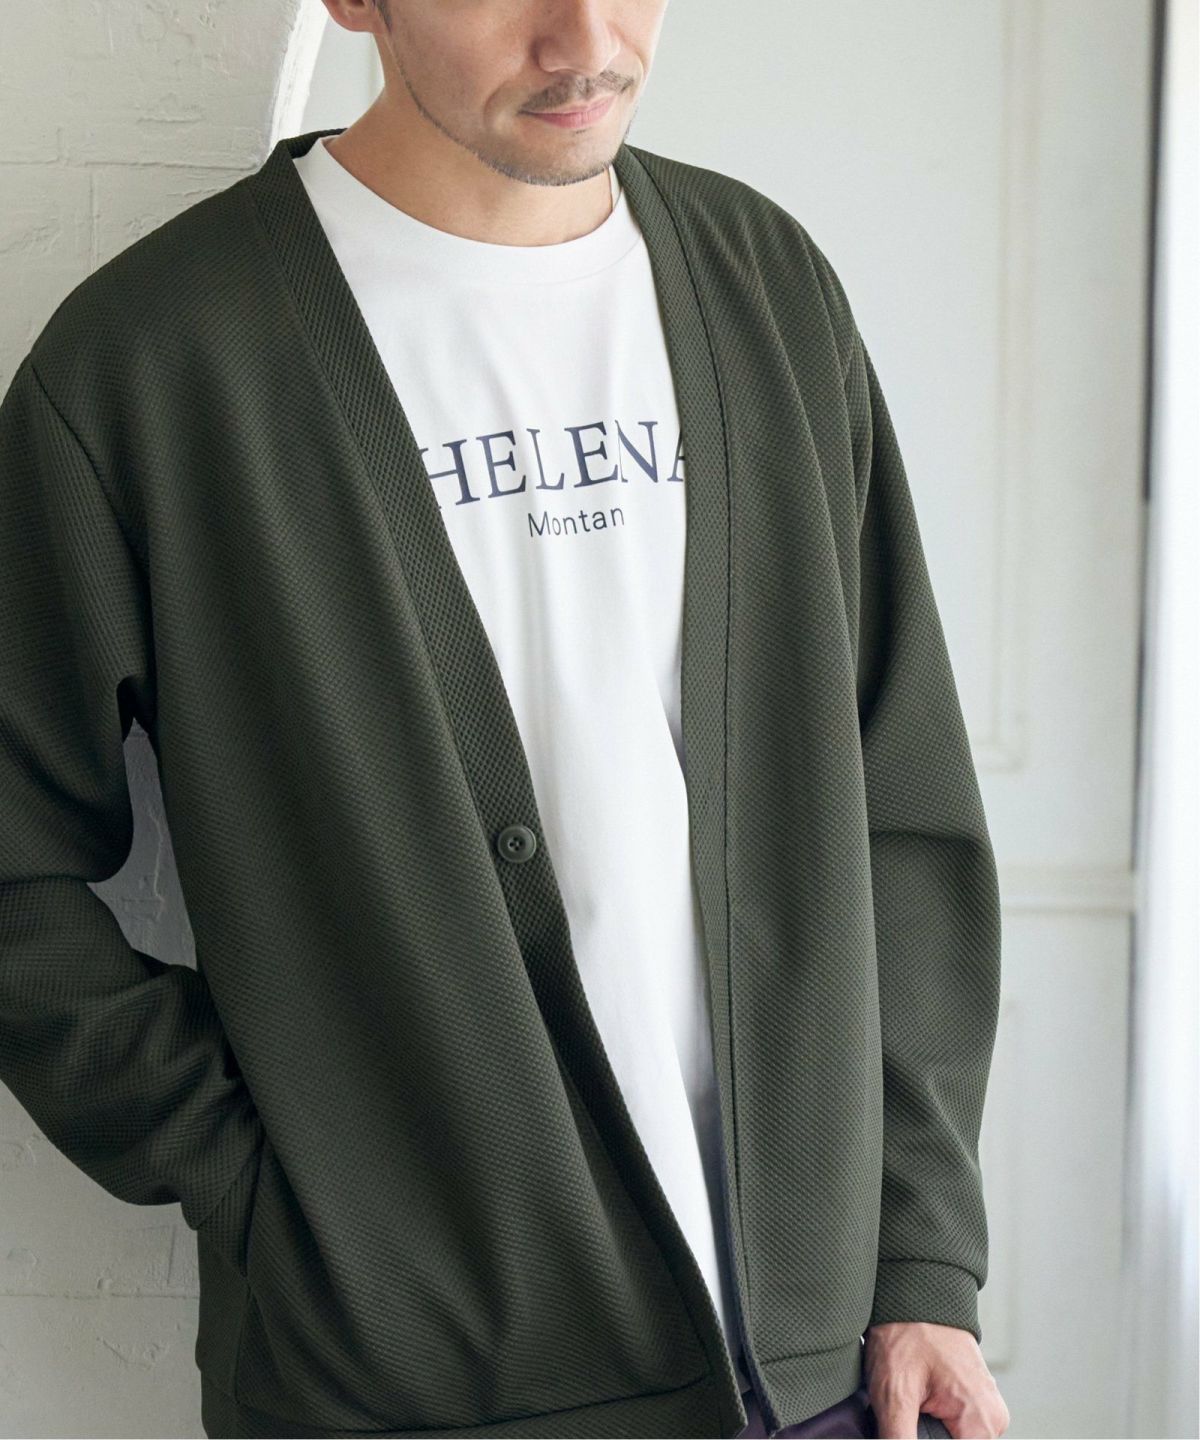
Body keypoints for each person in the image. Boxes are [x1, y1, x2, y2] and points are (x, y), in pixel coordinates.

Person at [0, 2, 1011, 1437]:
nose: (584, 38)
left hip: (823, 1378)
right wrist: (272, 1184)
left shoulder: (767, 287)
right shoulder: (158, 359)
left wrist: (920, 1260)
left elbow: (899, 798)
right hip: (413, 1392)